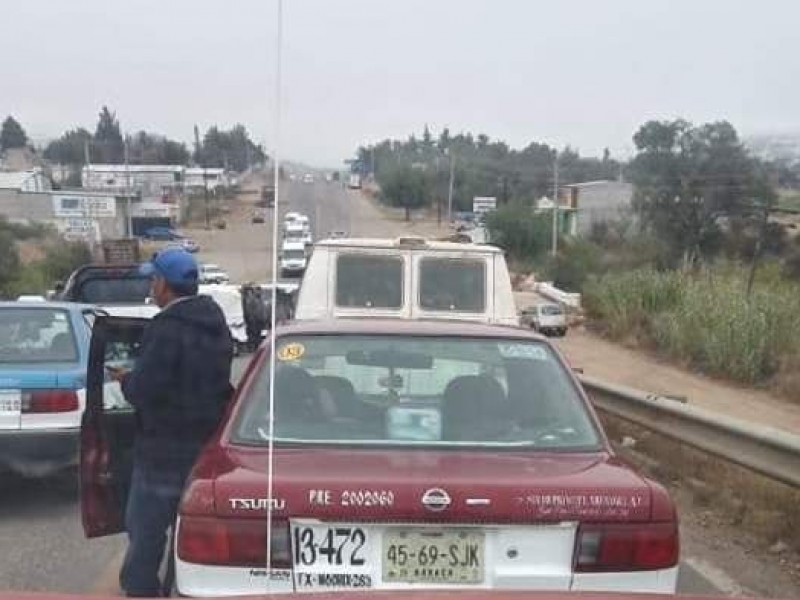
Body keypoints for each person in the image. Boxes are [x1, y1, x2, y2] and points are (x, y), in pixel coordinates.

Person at [107, 247, 233, 597]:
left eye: (153, 278)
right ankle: (181, 585)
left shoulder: (165, 327)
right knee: (189, 526)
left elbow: (145, 389)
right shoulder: (215, 321)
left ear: (164, 284)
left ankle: (141, 589)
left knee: (145, 528)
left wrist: (125, 380)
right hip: (205, 447)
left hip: (161, 451)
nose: (151, 285)